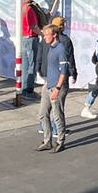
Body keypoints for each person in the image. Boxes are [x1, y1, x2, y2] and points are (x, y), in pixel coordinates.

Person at [36, 23, 70, 152]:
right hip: (48, 85)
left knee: (57, 115)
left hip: (57, 87)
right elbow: (52, 68)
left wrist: (57, 88)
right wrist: (47, 83)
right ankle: (47, 140)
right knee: (42, 114)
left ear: (54, 35)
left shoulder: (61, 49)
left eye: (46, 35)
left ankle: (60, 141)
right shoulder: (50, 47)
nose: (44, 37)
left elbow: (63, 71)